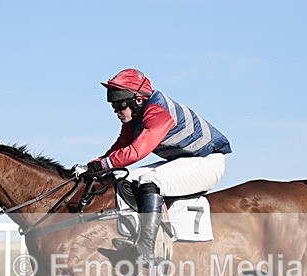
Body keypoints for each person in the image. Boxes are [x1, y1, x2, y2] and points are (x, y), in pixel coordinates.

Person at [82, 68, 232, 262]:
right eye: (113, 106)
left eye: (120, 105)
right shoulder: (134, 116)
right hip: (185, 160)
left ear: (137, 100)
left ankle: (146, 247)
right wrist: (93, 165)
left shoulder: (157, 111)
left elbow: (137, 151)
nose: (116, 112)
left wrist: (104, 164)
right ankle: (133, 234)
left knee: (150, 180)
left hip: (209, 162)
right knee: (125, 178)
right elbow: (121, 146)